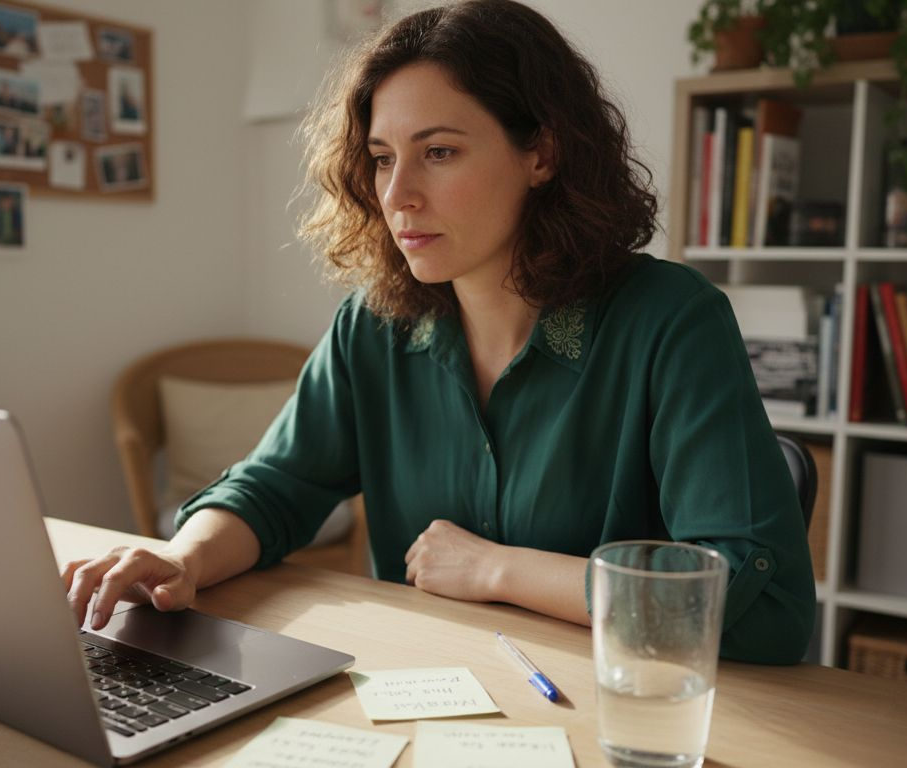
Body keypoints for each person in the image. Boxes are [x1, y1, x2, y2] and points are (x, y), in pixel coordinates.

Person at [64, 0, 815, 665]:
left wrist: (498, 569)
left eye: (440, 152)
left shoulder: (672, 319)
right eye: (383, 159)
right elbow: (277, 486)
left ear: (542, 154)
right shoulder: (373, 325)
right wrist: (183, 558)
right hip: (434, 696)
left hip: (623, 707)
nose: (397, 195)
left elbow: (754, 605)